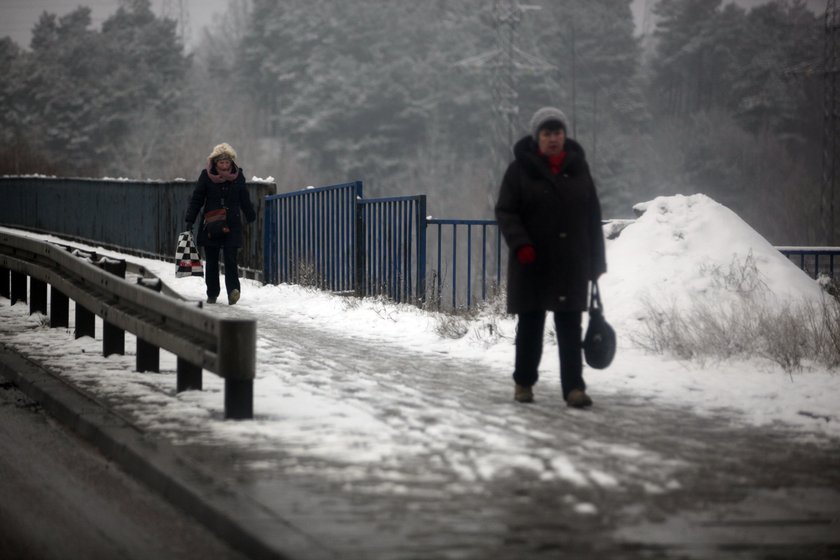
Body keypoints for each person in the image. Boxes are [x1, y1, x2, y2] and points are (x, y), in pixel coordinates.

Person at [495, 107, 607, 408]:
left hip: (571, 263)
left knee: (570, 328)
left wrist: (596, 263)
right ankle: (524, 383)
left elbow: (592, 215)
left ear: (564, 135)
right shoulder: (519, 170)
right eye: (547, 133)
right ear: (537, 137)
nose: (554, 139)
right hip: (532, 262)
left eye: (558, 133)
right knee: (530, 326)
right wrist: (520, 244)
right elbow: (505, 211)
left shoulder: (578, 168)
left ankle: (574, 389)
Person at [185, 142, 257, 305]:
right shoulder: (206, 176)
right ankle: (212, 293)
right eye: (221, 162)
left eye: (227, 162)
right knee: (212, 260)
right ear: (215, 163)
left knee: (231, 258)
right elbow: (197, 199)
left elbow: (244, 197)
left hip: (232, 224)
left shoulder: (238, 176)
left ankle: (233, 291)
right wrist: (190, 219)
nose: (224, 166)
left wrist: (250, 215)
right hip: (211, 224)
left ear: (231, 162)